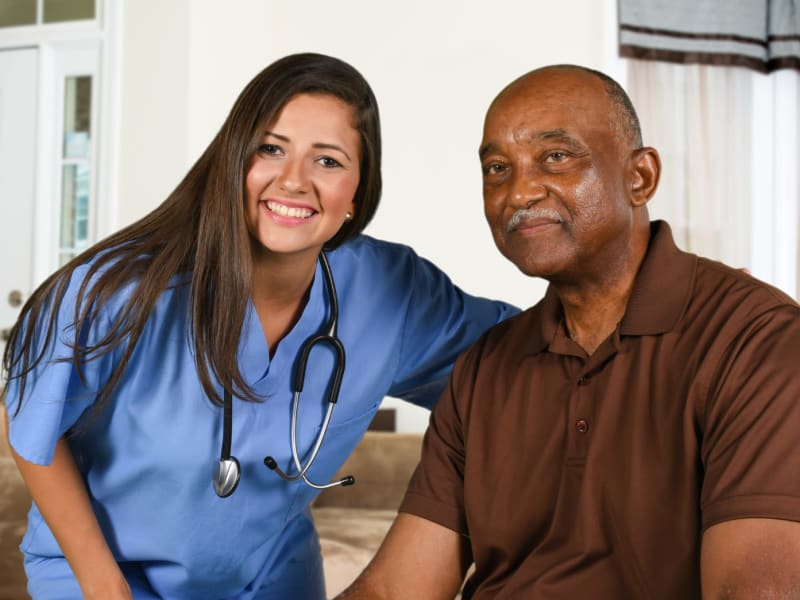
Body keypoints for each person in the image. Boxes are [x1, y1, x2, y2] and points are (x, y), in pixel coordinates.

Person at [1, 53, 517, 599]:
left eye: (329, 161)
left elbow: (526, 357)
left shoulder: (391, 292)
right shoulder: (116, 289)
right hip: (102, 572)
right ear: (233, 161)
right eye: (271, 149)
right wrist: (103, 585)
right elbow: (32, 422)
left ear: (358, 194)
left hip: (269, 576)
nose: (293, 181)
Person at [336, 65, 800, 599]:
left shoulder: (755, 342)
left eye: (556, 157)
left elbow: (755, 591)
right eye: (496, 168)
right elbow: (396, 589)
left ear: (640, 177)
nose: (518, 192)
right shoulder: (486, 366)